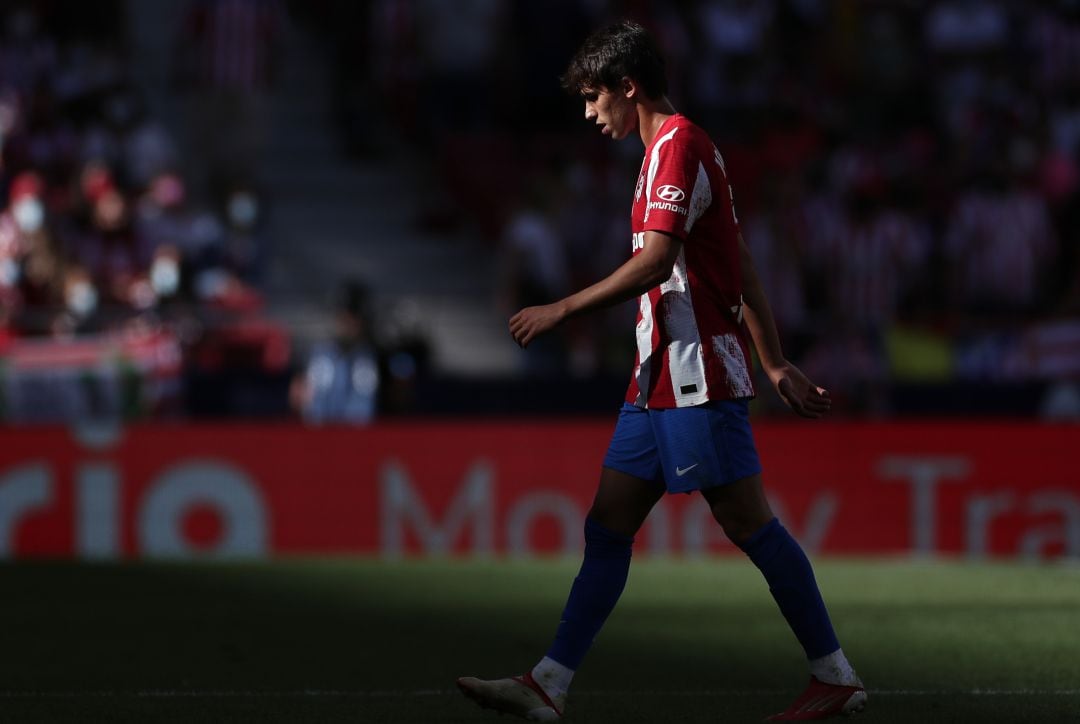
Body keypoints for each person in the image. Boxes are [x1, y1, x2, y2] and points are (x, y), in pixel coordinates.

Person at [456, 20, 865, 722]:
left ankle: (835, 676)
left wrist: (563, 307)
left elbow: (655, 262)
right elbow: (742, 262)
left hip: (696, 375)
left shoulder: (678, 148)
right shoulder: (661, 153)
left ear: (628, 86)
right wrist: (775, 361)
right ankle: (548, 684)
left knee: (748, 524)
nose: (589, 114)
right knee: (609, 523)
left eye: (593, 98)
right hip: (654, 381)